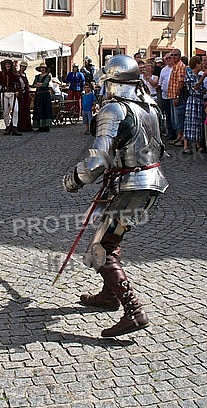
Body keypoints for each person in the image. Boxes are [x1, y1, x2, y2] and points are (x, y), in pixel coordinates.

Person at [63, 54, 168, 337]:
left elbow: (97, 162)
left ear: (111, 81)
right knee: (110, 239)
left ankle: (134, 311)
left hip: (130, 186)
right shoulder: (150, 106)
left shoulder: (114, 110)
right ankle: (108, 296)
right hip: (148, 181)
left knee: (100, 251)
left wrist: (74, 179)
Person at [182, 56, 207, 154]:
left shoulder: (199, 75)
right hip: (192, 100)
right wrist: (204, 77)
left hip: (200, 101)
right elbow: (195, 87)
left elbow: (201, 89)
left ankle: (198, 144)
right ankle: (186, 145)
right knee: (189, 122)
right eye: (200, 63)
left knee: (199, 122)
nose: (202, 65)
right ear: (196, 64)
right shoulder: (189, 74)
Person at [0, 58, 23, 136]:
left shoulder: (15, 73)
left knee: (15, 110)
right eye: (6, 64)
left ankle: (15, 127)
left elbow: (19, 83)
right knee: (5, 111)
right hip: (4, 93)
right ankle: (7, 126)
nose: (7, 66)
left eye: (9, 64)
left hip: (13, 93)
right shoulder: (0, 74)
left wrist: (18, 91)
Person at [167, 49, 187, 146]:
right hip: (171, 95)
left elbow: (181, 83)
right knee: (175, 118)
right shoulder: (174, 66)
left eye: (175, 55)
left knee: (179, 117)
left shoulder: (181, 66)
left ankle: (181, 138)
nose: (173, 57)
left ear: (179, 56)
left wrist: (177, 97)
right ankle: (178, 136)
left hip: (177, 96)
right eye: (171, 55)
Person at [157, 53, 175, 139]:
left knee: (174, 116)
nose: (169, 59)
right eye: (166, 59)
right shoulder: (163, 70)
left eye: (170, 57)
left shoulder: (176, 68)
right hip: (165, 96)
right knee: (168, 115)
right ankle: (171, 133)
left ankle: (177, 134)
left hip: (174, 96)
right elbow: (160, 83)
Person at [32, 63, 53, 132]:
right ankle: (40, 126)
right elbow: (34, 84)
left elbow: (45, 84)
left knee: (45, 109)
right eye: (41, 68)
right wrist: (39, 84)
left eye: (44, 68)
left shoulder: (48, 76)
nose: (42, 69)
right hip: (38, 95)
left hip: (45, 95)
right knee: (39, 109)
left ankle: (46, 126)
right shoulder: (37, 76)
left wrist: (39, 84)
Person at [16, 61, 33, 132]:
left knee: (26, 110)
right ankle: (20, 126)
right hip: (21, 94)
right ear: (20, 66)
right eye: (23, 66)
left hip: (26, 94)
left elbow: (26, 84)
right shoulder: (17, 74)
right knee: (21, 110)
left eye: (25, 67)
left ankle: (27, 126)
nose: (24, 68)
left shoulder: (25, 74)